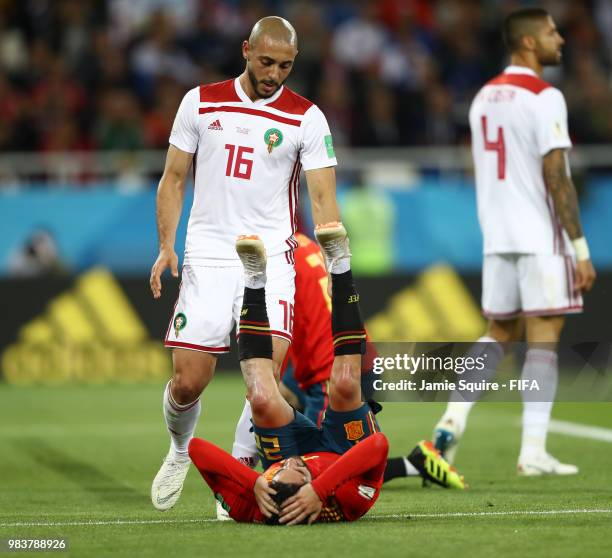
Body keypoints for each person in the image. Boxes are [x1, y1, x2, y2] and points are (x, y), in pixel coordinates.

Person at [149, 16, 342, 511]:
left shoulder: (307, 118)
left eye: (285, 65)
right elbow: (173, 178)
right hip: (210, 254)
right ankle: (178, 450)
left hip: (272, 259)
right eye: (266, 62)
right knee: (188, 380)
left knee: (264, 386)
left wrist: (336, 261)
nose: (275, 74)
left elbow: (323, 199)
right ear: (245, 51)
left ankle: (235, 479)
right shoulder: (200, 101)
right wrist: (166, 246)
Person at [189, 226, 465, 525]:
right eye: (301, 469)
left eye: (276, 470)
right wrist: (319, 488)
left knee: (261, 396)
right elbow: (378, 445)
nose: (296, 461)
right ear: (307, 489)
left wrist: (252, 482)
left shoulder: (253, 507)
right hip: (343, 450)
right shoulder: (347, 498)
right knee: (345, 384)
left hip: (309, 378)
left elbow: (196, 448)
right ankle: (341, 264)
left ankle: (253, 279)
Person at [432, 8, 596, 475]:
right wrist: (580, 248)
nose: (560, 39)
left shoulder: (483, 97)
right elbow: (557, 178)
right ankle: (533, 452)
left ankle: (452, 417)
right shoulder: (545, 97)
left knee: (498, 332)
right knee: (543, 338)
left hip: (497, 234)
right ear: (527, 43)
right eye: (551, 32)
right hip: (540, 235)